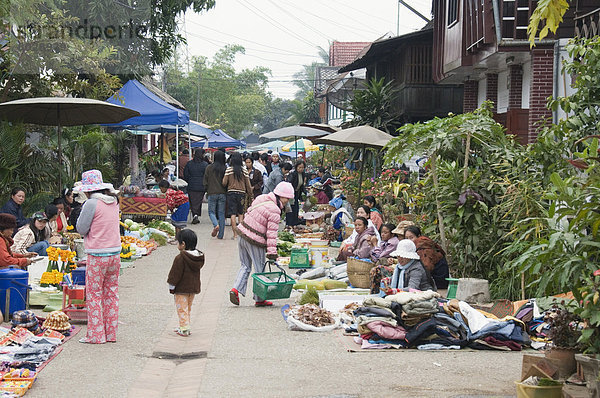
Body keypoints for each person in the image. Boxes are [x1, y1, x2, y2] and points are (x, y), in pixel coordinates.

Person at [229, 181, 294, 307]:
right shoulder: (275, 210)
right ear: (280, 195)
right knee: (260, 270)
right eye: (287, 198)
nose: (287, 201)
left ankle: (235, 290)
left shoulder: (262, 198)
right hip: (255, 239)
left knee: (245, 266)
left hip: (242, 233)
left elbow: (249, 211)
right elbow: (271, 234)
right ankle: (260, 299)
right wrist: (272, 253)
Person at [76, 170, 121, 344]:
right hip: (115, 253)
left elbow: (81, 228)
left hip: (97, 254)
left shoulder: (91, 203)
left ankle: (96, 335)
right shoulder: (114, 201)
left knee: (94, 294)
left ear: (88, 190)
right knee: (111, 293)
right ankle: (111, 334)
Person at [167, 229, 205, 337]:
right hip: (193, 288)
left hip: (181, 289)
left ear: (183, 244)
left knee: (181, 309)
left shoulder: (180, 258)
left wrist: (171, 286)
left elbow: (175, 274)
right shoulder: (197, 258)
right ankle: (185, 325)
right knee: (187, 308)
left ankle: (184, 329)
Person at [222, 152, 252, 240]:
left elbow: (224, 183)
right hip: (242, 194)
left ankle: (235, 235)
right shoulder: (244, 170)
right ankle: (241, 234)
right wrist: (251, 195)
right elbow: (248, 184)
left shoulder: (229, 170)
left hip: (231, 193)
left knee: (232, 214)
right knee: (241, 213)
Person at [204, 150, 227, 239]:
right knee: (221, 213)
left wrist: (206, 189)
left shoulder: (209, 168)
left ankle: (215, 224)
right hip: (222, 193)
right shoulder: (225, 168)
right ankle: (220, 235)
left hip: (212, 192)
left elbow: (205, 181)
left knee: (211, 212)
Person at [183, 149, 208, 224]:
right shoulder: (205, 164)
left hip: (191, 185)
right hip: (201, 185)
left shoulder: (189, 164)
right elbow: (206, 176)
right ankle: (196, 214)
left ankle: (195, 215)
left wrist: (189, 180)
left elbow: (186, 174)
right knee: (198, 201)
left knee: (193, 201)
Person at [285, 160, 307, 226]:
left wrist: (305, 192)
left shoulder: (303, 174)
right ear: (296, 167)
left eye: (302, 167)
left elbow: (301, 185)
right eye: (299, 167)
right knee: (290, 209)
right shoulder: (293, 174)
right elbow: (289, 184)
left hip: (297, 193)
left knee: (296, 208)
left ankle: (295, 223)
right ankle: (289, 224)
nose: (301, 169)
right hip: (291, 194)